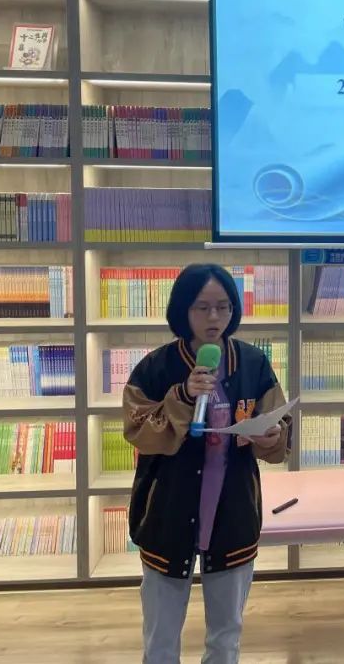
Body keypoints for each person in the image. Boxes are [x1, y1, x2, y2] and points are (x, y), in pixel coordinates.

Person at [123, 263, 289, 664]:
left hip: (232, 513)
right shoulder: (155, 367)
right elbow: (138, 431)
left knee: (226, 637)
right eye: (202, 307)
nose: (214, 317)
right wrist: (183, 394)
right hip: (167, 513)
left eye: (223, 306)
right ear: (183, 309)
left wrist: (271, 436)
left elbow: (279, 428)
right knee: (160, 640)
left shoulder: (253, 363)